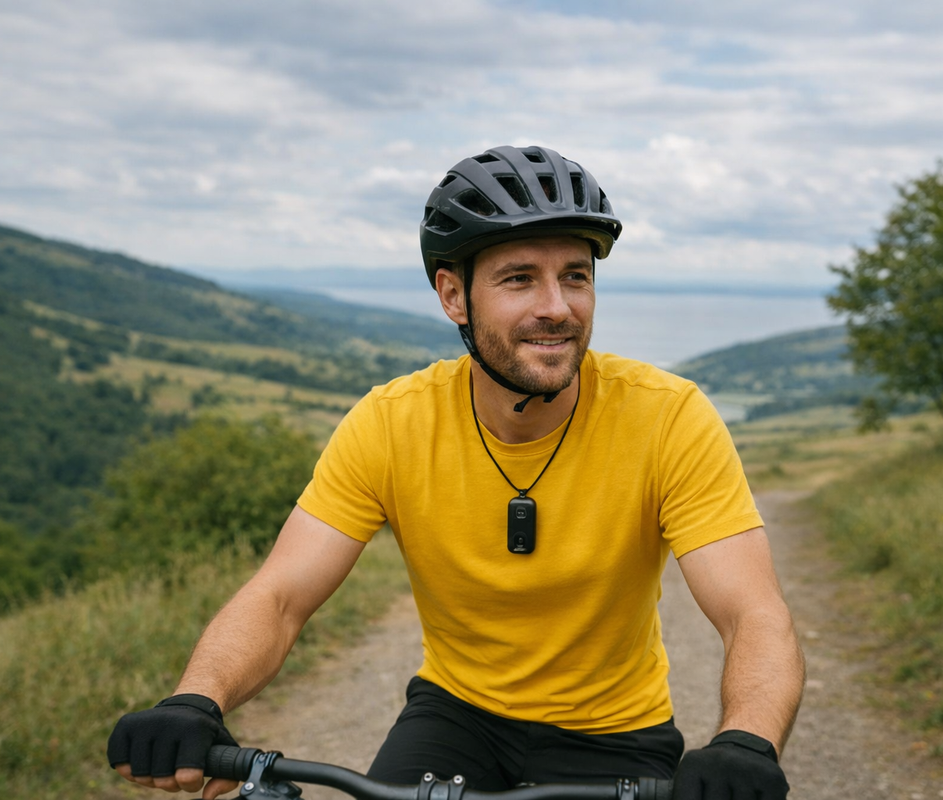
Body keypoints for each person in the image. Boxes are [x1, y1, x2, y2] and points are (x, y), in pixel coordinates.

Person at [107, 145, 805, 800]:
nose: (557, 307)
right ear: (453, 295)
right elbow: (281, 594)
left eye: (575, 276)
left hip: (615, 733)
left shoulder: (669, 417)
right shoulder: (391, 422)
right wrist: (196, 699)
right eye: (519, 279)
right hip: (456, 717)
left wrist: (746, 741)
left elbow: (752, 611)